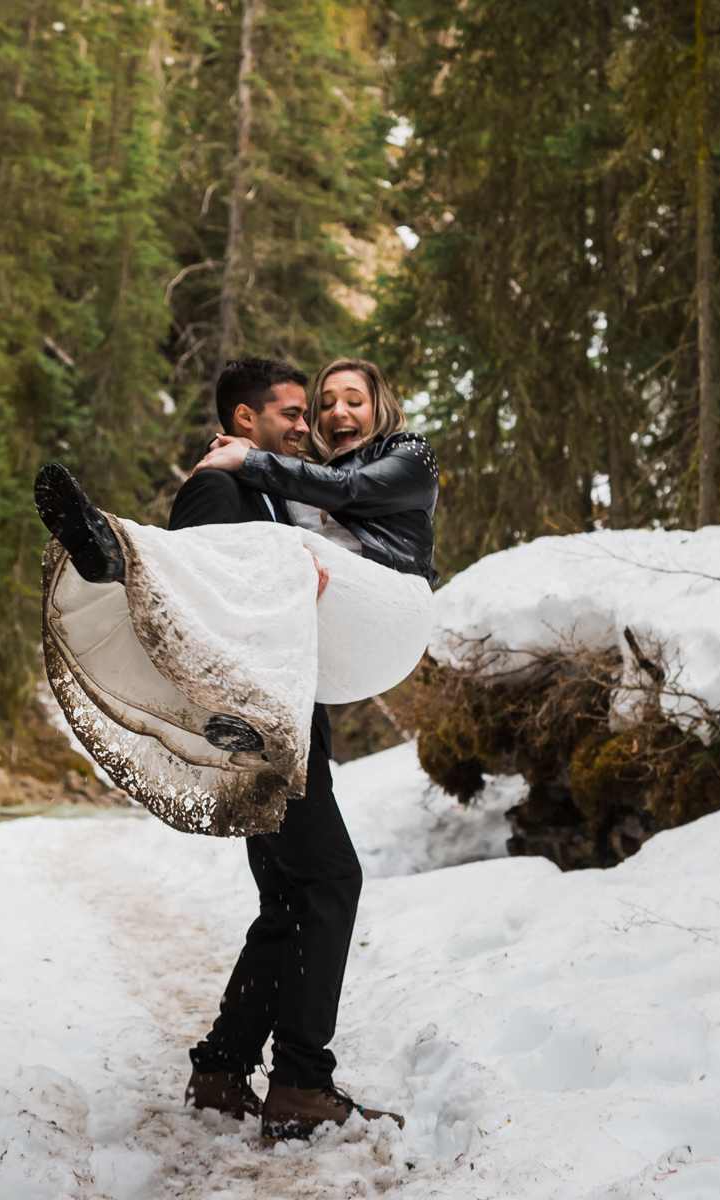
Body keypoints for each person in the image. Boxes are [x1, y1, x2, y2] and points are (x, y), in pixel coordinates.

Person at [33, 356, 439, 1141]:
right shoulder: (221, 485)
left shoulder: (283, 490)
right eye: (294, 411)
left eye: (314, 410)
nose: (306, 423)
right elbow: (196, 595)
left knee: (289, 899)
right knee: (330, 881)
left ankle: (222, 1068)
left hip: (282, 717)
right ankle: (300, 1085)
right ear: (244, 422)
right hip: (259, 726)